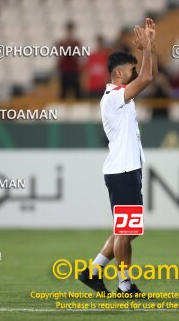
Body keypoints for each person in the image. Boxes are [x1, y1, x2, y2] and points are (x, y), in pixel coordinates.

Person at [78, 18, 157, 297]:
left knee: (129, 230)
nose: (137, 74)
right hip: (122, 170)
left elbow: (150, 75)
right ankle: (124, 284)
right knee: (125, 231)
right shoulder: (114, 98)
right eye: (132, 71)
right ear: (119, 75)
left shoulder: (122, 96)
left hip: (126, 169)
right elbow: (147, 78)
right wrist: (146, 49)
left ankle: (94, 270)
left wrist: (151, 46)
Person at [56, 21, 82, 99]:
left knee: (77, 94)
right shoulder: (61, 43)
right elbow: (60, 57)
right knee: (63, 94)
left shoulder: (76, 43)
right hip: (65, 70)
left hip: (74, 70)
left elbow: (77, 57)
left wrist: (72, 46)